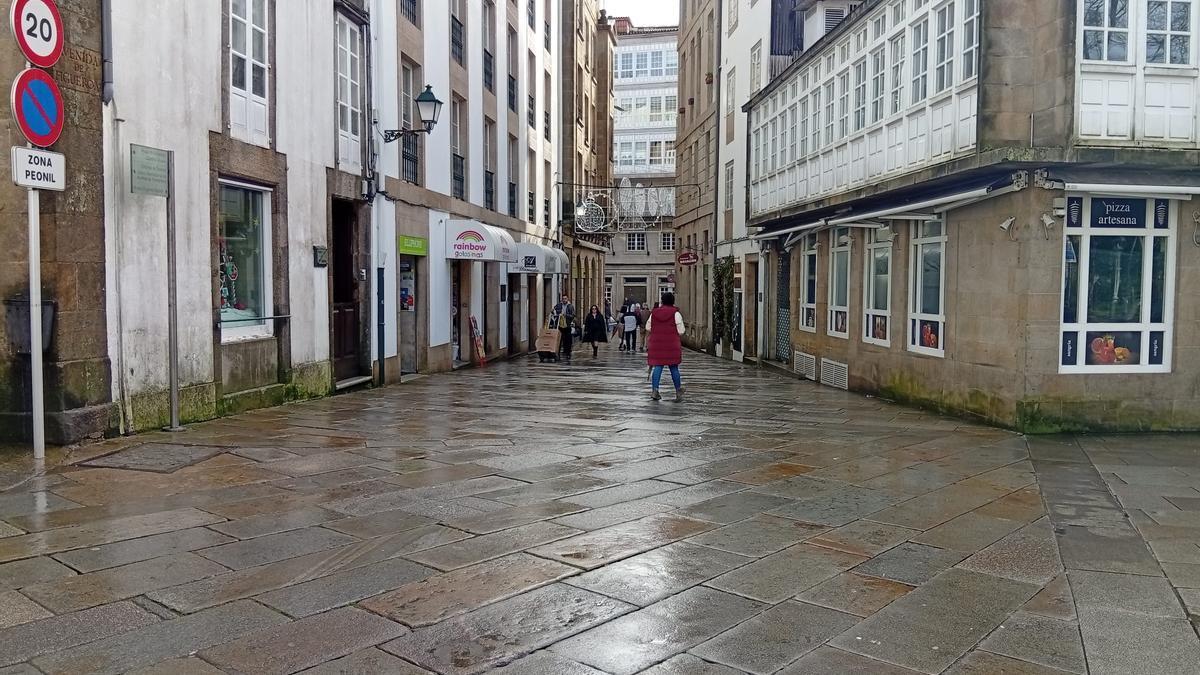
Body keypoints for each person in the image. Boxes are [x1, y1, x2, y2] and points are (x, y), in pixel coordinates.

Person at [646, 292, 685, 402]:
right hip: (672, 344)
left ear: (662, 301)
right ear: (673, 301)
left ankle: (655, 390)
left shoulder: (654, 313)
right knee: (674, 367)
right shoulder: (675, 313)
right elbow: (681, 331)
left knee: (657, 366)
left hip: (656, 343)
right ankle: (678, 391)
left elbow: (648, 327)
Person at [551, 293, 576, 363]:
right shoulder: (559, 305)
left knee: (568, 340)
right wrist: (553, 311)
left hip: (567, 325)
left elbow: (573, 316)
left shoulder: (570, 306)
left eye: (565, 298)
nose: (564, 300)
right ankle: (557, 354)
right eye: (563, 298)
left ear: (567, 299)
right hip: (560, 325)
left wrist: (566, 315)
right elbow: (554, 310)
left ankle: (568, 353)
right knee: (559, 340)